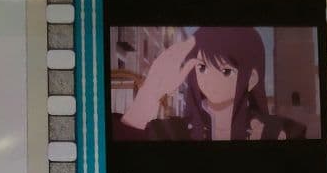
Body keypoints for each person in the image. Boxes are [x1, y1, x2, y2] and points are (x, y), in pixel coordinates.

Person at [113, 28, 306, 142]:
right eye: (202, 67)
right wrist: (151, 90)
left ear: (251, 78)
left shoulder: (281, 132)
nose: (210, 80)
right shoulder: (170, 131)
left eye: (226, 71)